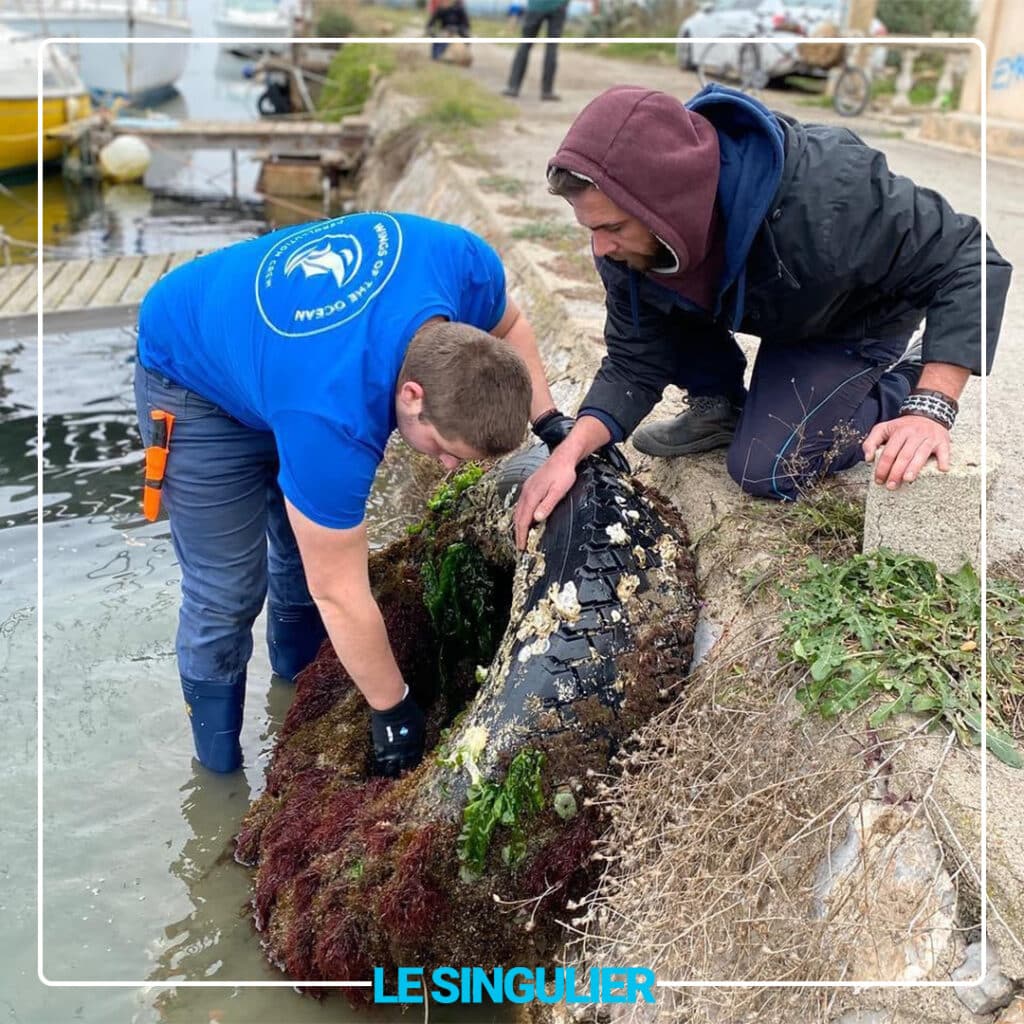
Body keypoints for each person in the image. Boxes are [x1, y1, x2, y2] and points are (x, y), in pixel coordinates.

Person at [135, 212, 557, 776]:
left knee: (297, 558)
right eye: (445, 449)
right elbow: (337, 591)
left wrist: (551, 424)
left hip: (282, 364)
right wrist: (393, 709)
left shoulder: (461, 263)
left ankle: (294, 700)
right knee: (227, 591)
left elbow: (513, 326)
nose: (450, 466)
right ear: (411, 396)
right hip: (192, 375)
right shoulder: (333, 418)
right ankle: (218, 772)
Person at [513, 84, 1012, 549]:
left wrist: (932, 406)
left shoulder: (831, 192)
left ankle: (909, 373)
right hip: (782, 308)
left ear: (666, 205)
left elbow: (969, 257)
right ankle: (719, 405)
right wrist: (569, 453)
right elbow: (634, 360)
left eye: (613, 227)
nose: (601, 247)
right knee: (657, 288)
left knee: (769, 467)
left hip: (852, 316)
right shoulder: (629, 246)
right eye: (592, 229)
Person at [502, 0, 570, 101]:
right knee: (552, 47)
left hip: (536, 6)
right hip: (558, 5)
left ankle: (513, 87)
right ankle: (547, 91)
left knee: (525, 44)